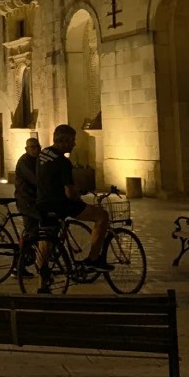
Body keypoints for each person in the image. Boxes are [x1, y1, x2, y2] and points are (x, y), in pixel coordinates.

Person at [35, 123, 113, 290]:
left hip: (42, 204)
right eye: (72, 140)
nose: (74, 144)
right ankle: (93, 260)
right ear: (63, 140)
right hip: (61, 205)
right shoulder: (63, 162)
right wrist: (79, 195)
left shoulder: (43, 154)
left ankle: (41, 282)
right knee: (102, 216)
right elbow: (69, 192)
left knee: (46, 240)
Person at [14, 137, 41, 239]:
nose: (36, 150)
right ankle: (26, 251)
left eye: (38, 147)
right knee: (33, 230)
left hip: (35, 198)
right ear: (26, 149)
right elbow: (35, 179)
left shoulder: (38, 159)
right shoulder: (24, 162)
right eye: (32, 147)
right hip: (26, 199)